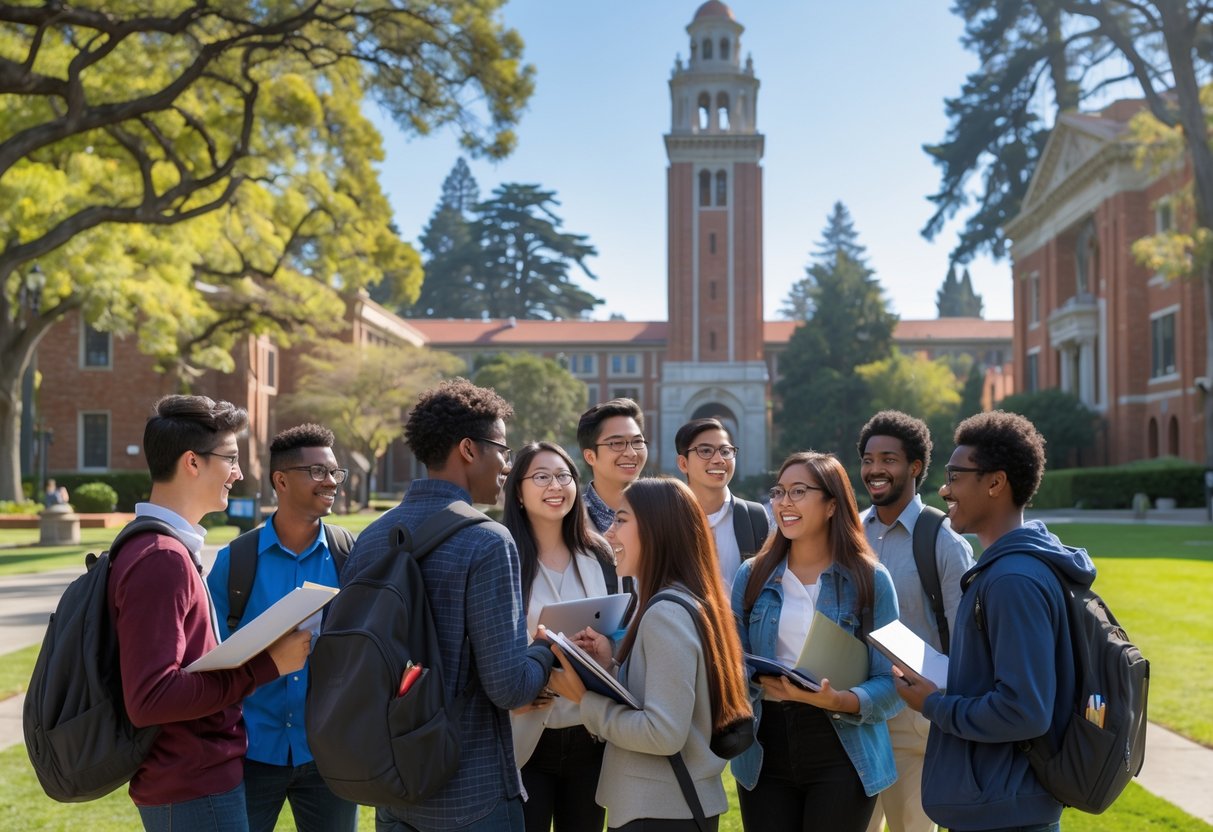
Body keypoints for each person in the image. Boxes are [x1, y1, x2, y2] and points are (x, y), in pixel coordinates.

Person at [347, 378, 557, 832]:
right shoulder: (486, 540)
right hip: (471, 790)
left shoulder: (370, 539)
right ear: (468, 449)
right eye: (502, 449)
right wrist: (547, 647)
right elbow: (509, 687)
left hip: (394, 783)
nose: (507, 464)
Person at [108, 395, 311, 832]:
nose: (238, 472)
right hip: (192, 786)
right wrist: (267, 665)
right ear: (192, 463)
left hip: (190, 782)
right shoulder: (160, 557)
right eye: (230, 458)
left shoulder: (162, 548)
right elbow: (151, 698)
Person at [895, 411, 1094, 832]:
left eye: (955, 475)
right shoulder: (1008, 570)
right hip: (997, 802)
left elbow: (1024, 710)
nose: (945, 489)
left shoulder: (1013, 580)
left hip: (1005, 810)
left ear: (995, 482)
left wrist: (931, 704)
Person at [545, 477, 752, 832]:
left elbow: (663, 732)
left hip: (660, 810)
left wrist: (585, 701)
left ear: (659, 529)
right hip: (670, 806)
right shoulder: (686, 600)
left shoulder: (665, 614)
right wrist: (610, 665)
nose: (609, 534)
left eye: (621, 520)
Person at [731, 451, 902, 832]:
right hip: (765, 746)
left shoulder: (871, 579)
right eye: (779, 492)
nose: (783, 503)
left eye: (798, 492)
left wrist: (840, 699)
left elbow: (892, 682)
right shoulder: (751, 576)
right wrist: (754, 677)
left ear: (831, 505)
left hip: (842, 745)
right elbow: (731, 662)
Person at [206, 424, 358, 832]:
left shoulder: (351, 556)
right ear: (281, 480)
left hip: (329, 754)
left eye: (334, 473)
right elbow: (208, 659)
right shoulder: (233, 563)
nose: (331, 482)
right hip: (250, 751)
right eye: (318, 472)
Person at [857, 411, 973, 832]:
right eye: (869, 459)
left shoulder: (944, 541)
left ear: (915, 467)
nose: (874, 470)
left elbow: (967, 642)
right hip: (857, 718)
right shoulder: (850, 535)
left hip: (917, 726)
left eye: (888, 459)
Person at [502, 441, 616, 832]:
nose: (556, 486)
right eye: (542, 477)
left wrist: (605, 648)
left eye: (564, 476)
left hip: (590, 733)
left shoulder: (598, 553)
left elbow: (616, 629)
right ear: (518, 492)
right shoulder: (502, 555)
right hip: (525, 735)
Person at [674, 417, 770, 587]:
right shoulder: (664, 518)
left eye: (725, 451)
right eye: (705, 451)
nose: (719, 459)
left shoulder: (755, 518)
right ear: (683, 463)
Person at [576, 399, 648, 534]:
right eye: (616, 443)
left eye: (637, 441)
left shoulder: (665, 509)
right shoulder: (572, 519)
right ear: (590, 456)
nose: (631, 453)